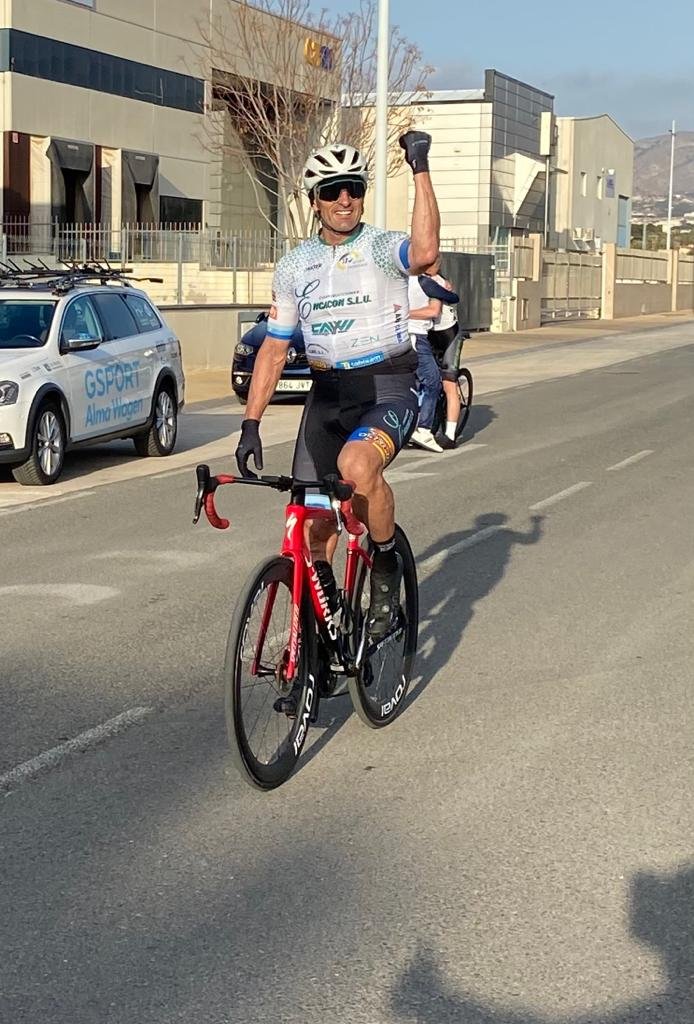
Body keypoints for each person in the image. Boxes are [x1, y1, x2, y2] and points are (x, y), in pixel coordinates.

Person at [235, 133, 441, 638]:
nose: (344, 199)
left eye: (354, 188)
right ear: (315, 201)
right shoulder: (293, 265)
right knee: (312, 527)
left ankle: (386, 565)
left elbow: (425, 251)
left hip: (387, 386)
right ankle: (322, 640)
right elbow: (274, 350)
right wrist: (250, 423)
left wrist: (419, 166)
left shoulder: (381, 247)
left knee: (357, 467)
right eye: (332, 191)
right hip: (327, 395)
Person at [421, 264, 462, 449]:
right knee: (429, 380)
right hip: (429, 334)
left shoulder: (434, 282)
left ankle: (450, 436)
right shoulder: (414, 280)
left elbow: (450, 299)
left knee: (449, 384)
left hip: (449, 335)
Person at [408, 274, 443, 452]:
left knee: (409, 383)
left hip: (405, 335)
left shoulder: (399, 278)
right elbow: (434, 311)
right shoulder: (427, 282)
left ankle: (408, 426)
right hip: (415, 335)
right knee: (432, 381)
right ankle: (423, 429)